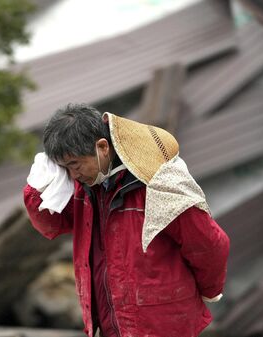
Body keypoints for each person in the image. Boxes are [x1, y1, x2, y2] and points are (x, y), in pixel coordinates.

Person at [23, 103, 230, 337]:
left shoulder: (159, 182)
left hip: (163, 326)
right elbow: (52, 225)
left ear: (102, 147)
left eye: (74, 164)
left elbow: (210, 244)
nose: (72, 175)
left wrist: (208, 291)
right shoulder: (85, 188)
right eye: (63, 168)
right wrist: (36, 189)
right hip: (111, 323)